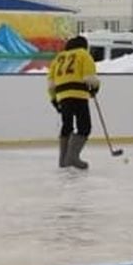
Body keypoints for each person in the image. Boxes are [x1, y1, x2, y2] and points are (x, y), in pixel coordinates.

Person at [47, 36, 100, 170]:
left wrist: (54, 99)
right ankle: (72, 157)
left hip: (62, 96)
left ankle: (63, 160)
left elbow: (51, 83)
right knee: (84, 126)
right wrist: (95, 89)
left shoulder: (58, 58)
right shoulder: (83, 54)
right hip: (78, 95)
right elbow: (90, 78)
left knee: (67, 125)